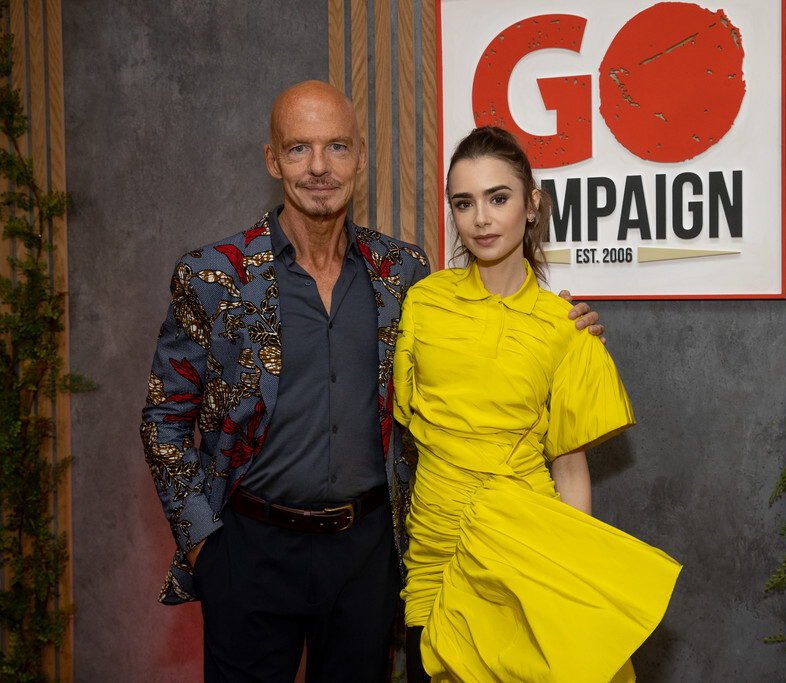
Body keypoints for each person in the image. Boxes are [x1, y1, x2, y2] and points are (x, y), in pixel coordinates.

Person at [140, 81, 602, 682]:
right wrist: (206, 545)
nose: (319, 167)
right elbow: (164, 419)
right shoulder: (213, 275)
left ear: (360, 156)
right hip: (249, 552)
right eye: (299, 148)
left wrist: (562, 324)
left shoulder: (403, 273)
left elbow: (476, 339)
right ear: (272, 160)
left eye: (337, 146)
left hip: (367, 557)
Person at [393, 126, 682, 682]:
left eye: (498, 198)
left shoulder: (565, 326)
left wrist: (571, 575)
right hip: (435, 556)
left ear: (531, 205)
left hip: (522, 552)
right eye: (464, 203)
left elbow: (569, 468)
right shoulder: (422, 304)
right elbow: (407, 425)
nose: (481, 219)